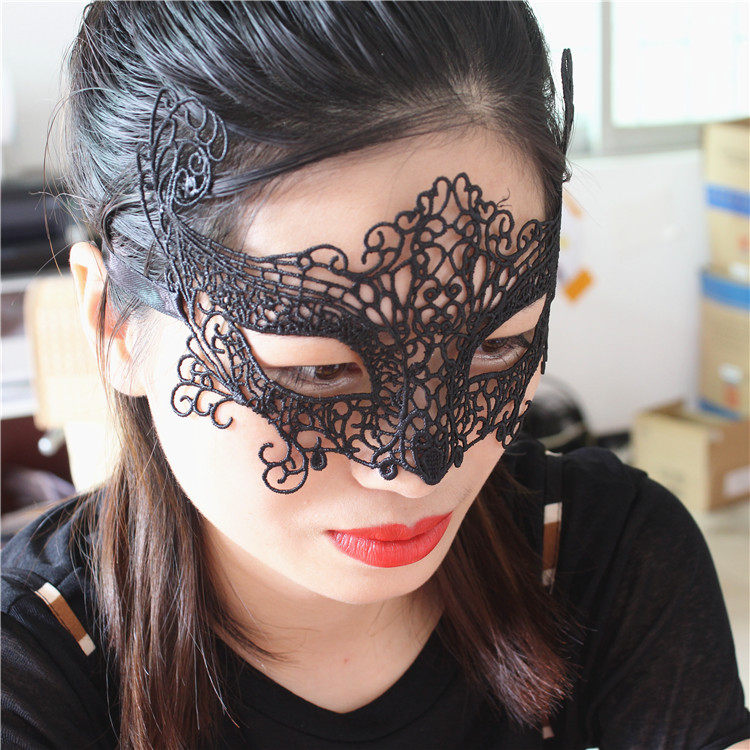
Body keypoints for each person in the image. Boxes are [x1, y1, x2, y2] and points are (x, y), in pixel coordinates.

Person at [2, 2, 748, 748]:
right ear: (114, 323)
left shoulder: (607, 558)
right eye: (320, 370)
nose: (421, 469)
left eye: (496, 349)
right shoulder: (28, 674)